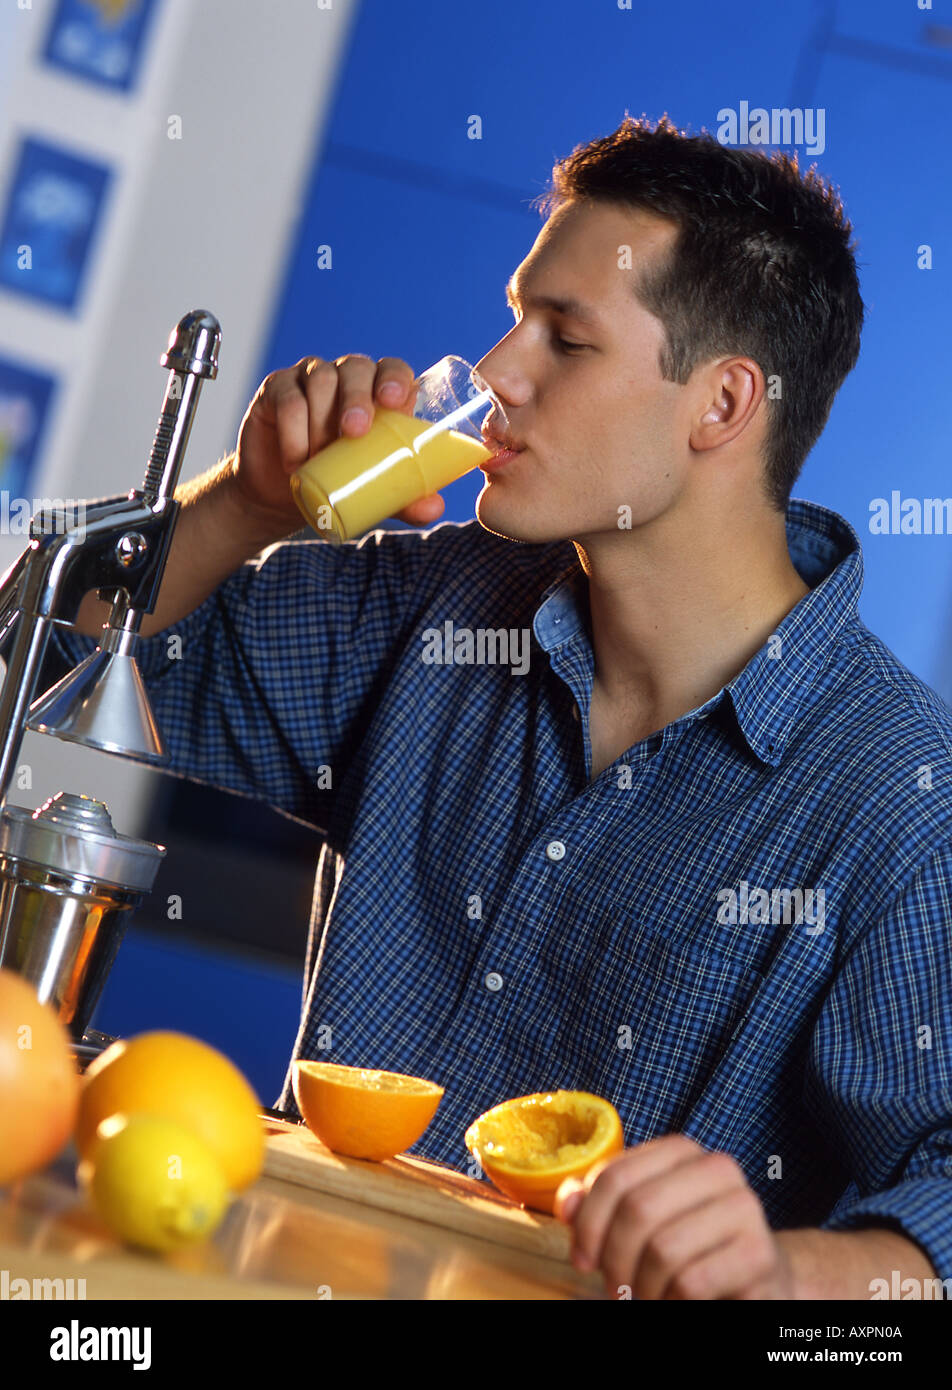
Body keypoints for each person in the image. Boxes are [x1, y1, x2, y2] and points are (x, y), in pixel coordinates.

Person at [52, 115, 951, 1300]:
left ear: (722, 407)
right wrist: (244, 502)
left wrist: (788, 1277)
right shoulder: (437, 607)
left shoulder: (897, 796)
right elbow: (69, 654)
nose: (495, 371)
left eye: (562, 340)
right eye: (517, 315)